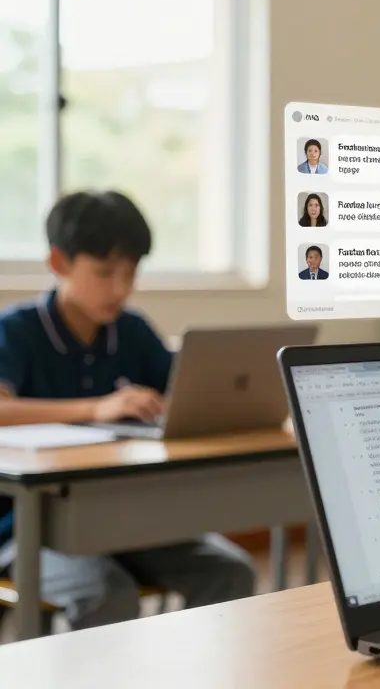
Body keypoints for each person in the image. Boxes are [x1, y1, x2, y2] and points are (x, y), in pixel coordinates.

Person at [0, 190, 257, 630]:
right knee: (105, 595)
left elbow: (185, 391)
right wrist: (97, 408)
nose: (121, 288)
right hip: (22, 529)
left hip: (123, 520)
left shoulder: (132, 331)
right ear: (59, 263)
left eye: (131, 272)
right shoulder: (17, 330)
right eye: (104, 272)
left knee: (229, 571)